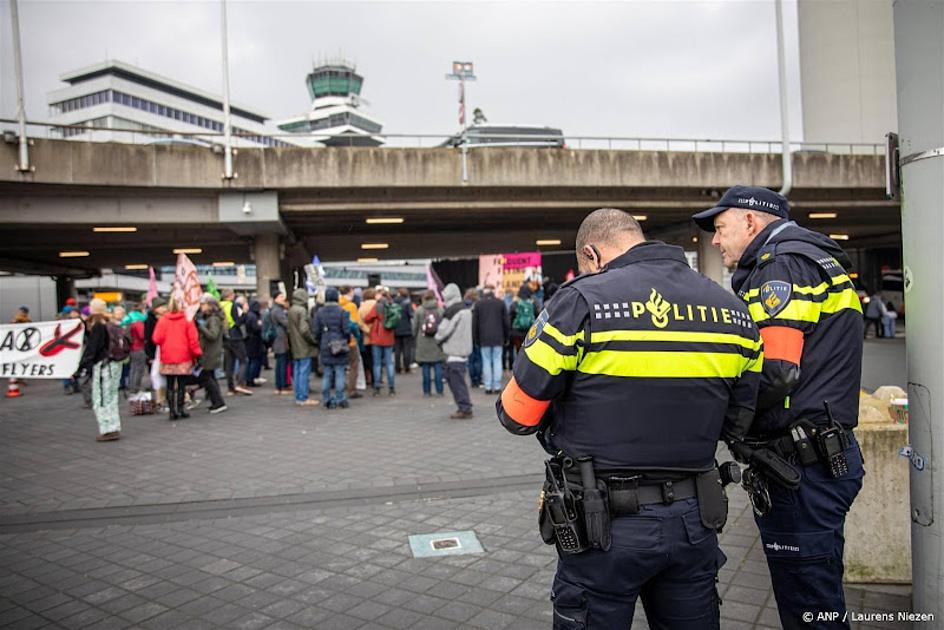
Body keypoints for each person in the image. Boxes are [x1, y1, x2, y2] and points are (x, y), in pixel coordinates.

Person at [497, 208, 762, 629]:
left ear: (591, 254)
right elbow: (738, 422)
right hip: (695, 522)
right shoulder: (733, 311)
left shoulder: (579, 301)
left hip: (602, 528)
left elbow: (515, 414)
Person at [693, 186, 865, 629]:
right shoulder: (812, 258)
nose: (715, 241)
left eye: (720, 228)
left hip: (802, 467)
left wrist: (719, 422)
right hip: (819, 458)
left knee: (809, 608)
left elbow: (776, 372)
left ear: (751, 221)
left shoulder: (781, 266)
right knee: (820, 594)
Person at [152, 297, 202, 421]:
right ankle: (181, 409)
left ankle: (172, 412)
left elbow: (156, 338)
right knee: (181, 385)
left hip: (167, 357)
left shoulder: (163, 320)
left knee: (169, 384)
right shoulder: (186, 320)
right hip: (183, 356)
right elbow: (193, 340)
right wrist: (197, 353)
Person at [79, 299, 123, 441]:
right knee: (112, 396)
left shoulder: (98, 326)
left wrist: (83, 366)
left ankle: (107, 429)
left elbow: (93, 348)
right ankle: (114, 426)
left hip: (103, 365)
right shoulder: (111, 324)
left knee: (101, 398)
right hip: (115, 364)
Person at [435, 283, 474, 419]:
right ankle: (464, 406)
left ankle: (464, 408)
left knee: (456, 383)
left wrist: (438, 339)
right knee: (459, 381)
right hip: (463, 351)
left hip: (453, 352)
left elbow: (443, 331)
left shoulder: (452, 311)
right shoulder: (466, 309)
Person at [313, 287, 352, 409]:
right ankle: (340, 398)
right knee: (340, 372)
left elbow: (316, 331)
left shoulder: (319, 312)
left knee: (327, 373)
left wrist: (321, 341)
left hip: (325, 344)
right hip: (339, 344)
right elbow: (347, 330)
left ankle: (326, 399)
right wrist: (346, 340)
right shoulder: (342, 311)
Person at [473, 283, 509, 394]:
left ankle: (488, 386)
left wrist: (475, 338)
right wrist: (506, 336)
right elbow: (506, 322)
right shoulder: (500, 303)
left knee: (486, 361)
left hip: (484, 337)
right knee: (497, 361)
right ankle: (497, 386)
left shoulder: (478, 304)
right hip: (498, 337)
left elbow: (475, 323)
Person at [194, 294, 227, 413]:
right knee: (210, 377)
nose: (201, 307)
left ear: (210, 305)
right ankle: (217, 402)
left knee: (208, 377)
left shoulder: (213, 319)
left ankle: (218, 402)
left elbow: (213, 335)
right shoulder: (212, 318)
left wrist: (200, 327)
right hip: (210, 352)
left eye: (203, 304)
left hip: (210, 353)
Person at [288, 288, 319, 406]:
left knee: (297, 370)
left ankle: (298, 396)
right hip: (304, 346)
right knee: (304, 371)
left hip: (295, 344)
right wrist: (313, 340)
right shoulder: (302, 311)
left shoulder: (291, 309)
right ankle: (303, 397)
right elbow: (304, 329)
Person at [412, 290, 446, 397]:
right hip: (437, 342)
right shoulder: (440, 310)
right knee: (438, 366)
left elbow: (415, 327)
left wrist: (415, 336)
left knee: (425, 367)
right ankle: (439, 390)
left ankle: (427, 391)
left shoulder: (419, 310)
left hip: (423, 342)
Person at [364, 288, 396, 396]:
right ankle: (391, 388)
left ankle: (377, 388)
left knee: (377, 364)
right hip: (389, 337)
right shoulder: (392, 305)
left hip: (377, 338)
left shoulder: (377, 306)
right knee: (389, 364)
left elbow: (367, 318)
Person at [220, 289, 252, 396]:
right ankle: (240, 383)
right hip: (235, 335)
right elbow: (239, 321)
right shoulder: (233, 306)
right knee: (243, 360)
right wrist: (245, 313)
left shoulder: (219, 305)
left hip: (225, 336)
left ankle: (230, 388)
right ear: (230, 296)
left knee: (229, 363)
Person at [339, 286, 365, 399]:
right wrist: (358, 337)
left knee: (340, 366)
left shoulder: (338, 305)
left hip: (338, 340)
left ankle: (340, 387)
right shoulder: (351, 306)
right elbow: (353, 324)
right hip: (350, 341)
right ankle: (351, 389)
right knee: (354, 365)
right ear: (349, 292)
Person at [269, 292, 291, 394]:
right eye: (281, 296)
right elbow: (286, 323)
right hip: (280, 339)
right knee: (281, 364)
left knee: (280, 363)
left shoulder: (276, 309)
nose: (284, 298)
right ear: (275, 298)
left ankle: (280, 386)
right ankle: (281, 386)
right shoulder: (278, 310)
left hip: (279, 339)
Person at [509, 284, 536, 361]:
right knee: (529, 353)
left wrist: (510, 330)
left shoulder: (515, 304)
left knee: (518, 352)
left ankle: (517, 368)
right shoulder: (533, 303)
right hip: (530, 332)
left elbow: (510, 317)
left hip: (516, 332)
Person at [357, 288, 377, 389]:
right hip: (379, 336)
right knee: (377, 360)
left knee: (368, 359)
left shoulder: (362, 307)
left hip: (366, 337)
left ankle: (369, 378)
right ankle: (376, 380)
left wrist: (367, 331)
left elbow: (359, 322)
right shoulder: (378, 305)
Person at [464, 288, 483, 388]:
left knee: (470, 359)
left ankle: (472, 380)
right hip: (478, 334)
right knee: (478, 358)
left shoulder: (463, 305)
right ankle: (478, 379)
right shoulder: (479, 304)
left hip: (467, 335)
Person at [393, 287, 415, 374]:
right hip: (406, 328)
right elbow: (411, 314)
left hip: (396, 328)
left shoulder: (394, 302)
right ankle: (407, 367)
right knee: (407, 349)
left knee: (397, 349)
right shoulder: (407, 302)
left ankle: (397, 367)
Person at [244, 300, 265, 386]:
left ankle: (248, 378)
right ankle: (251, 379)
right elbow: (255, 328)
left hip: (249, 340)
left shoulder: (248, 315)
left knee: (250, 360)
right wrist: (260, 325)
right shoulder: (254, 316)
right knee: (254, 360)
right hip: (255, 340)